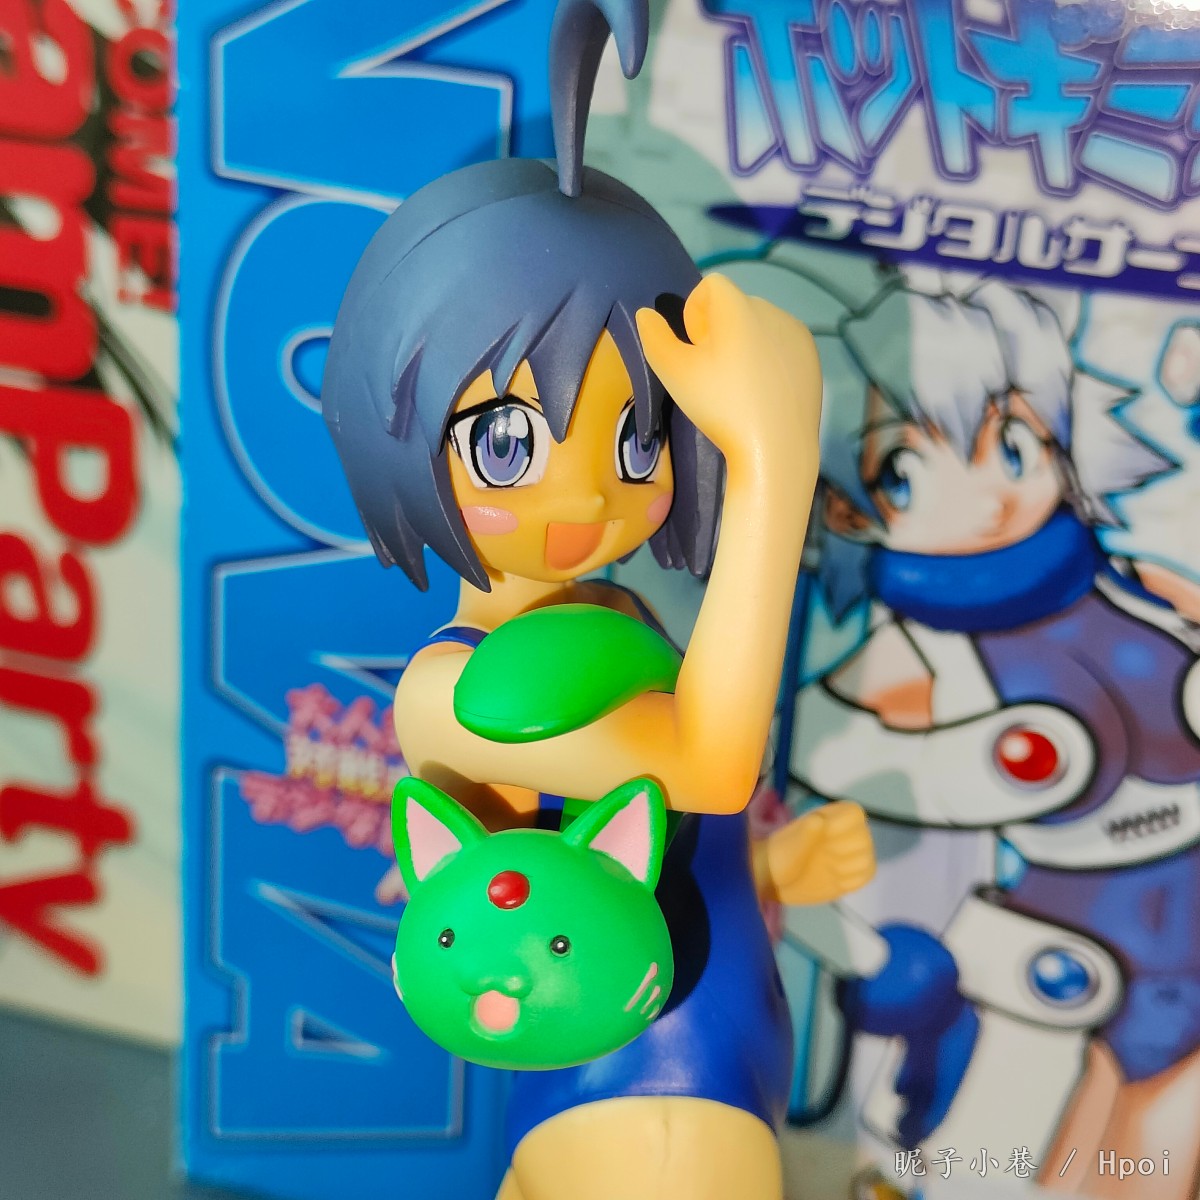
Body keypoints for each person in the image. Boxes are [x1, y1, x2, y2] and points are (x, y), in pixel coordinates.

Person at [321, 0, 874, 1195]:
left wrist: (772, 873)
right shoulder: (454, 694)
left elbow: (651, 829)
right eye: (509, 441)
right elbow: (705, 766)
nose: (581, 499)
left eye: (634, 437)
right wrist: (774, 468)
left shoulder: (604, 616)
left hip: (679, 1063)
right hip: (632, 1077)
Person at [788, 275, 1200, 1199]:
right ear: (847, 509)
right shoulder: (915, 652)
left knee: (1141, 1143)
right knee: (1041, 1151)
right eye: (908, 468)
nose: (990, 496)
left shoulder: (1136, 588)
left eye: (1011, 442)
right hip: (1075, 927)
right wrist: (867, 950)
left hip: (1183, 903)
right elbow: (807, 755)